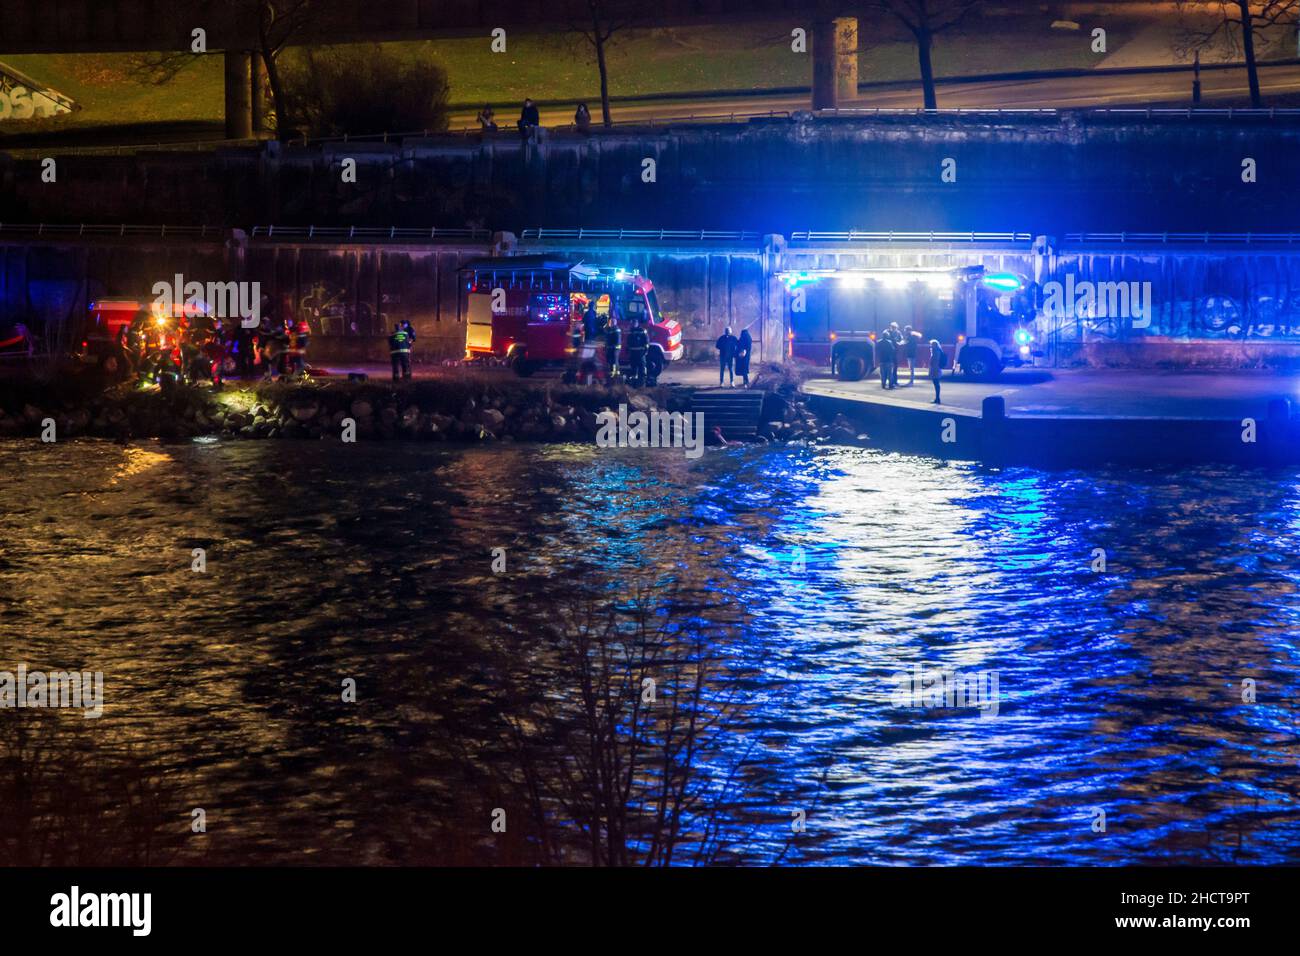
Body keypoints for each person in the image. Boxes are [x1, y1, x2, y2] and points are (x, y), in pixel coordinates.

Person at [626, 315, 649, 387]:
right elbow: (628, 341)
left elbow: (646, 341)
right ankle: (634, 383)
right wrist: (628, 350)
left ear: (637, 323)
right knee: (633, 368)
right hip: (633, 353)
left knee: (642, 367)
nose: (633, 324)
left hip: (640, 353)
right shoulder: (631, 331)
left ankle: (642, 383)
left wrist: (645, 351)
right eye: (632, 323)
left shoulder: (642, 330)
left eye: (634, 323)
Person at [602, 306, 622, 380]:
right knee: (611, 360)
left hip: (615, 348)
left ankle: (614, 374)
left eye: (612, 322)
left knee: (614, 360)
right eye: (610, 322)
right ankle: (614, 373)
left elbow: (616, 340)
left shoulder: (616, 329)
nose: (611, 323)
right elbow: (607, 337)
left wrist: (611, 346)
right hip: (611, 348)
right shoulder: (610, 329)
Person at [928, 339, 946, 404]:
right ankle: (937, 398)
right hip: (937, 370)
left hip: (936, 370)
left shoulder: (936, 352)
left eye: (931, 345)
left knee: (936, 384)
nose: (930, 346)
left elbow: (934, 362)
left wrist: (931, 371)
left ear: (934, 345)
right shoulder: (938, 351)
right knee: (937, 384)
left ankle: (937, 399)